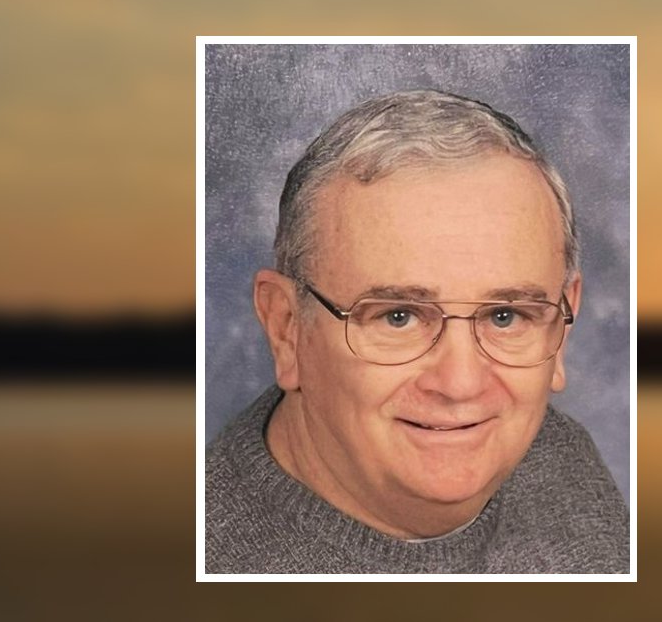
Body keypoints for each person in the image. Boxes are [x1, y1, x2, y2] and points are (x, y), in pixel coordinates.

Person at [205, 89, 629, 573]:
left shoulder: (563, 460)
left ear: (562, 325)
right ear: (286, 328)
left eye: (505, 316)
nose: (460, 384)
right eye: (398, 316)